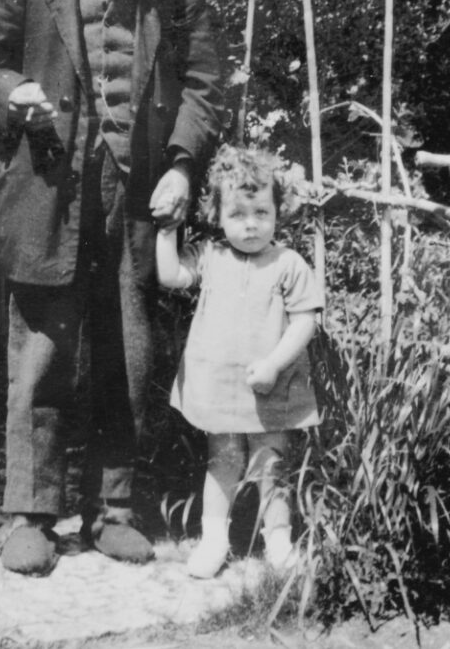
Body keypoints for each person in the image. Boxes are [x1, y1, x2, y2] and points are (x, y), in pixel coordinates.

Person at [0, 0, 224, 575]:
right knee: (42, 353)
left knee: (129, 351)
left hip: (135, 193)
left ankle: (113, 511)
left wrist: (182, 165)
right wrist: (12, 94)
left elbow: (205, 84)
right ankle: (29, 516)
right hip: (47, 186)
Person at [156, 144, 323, 578]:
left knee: (271, 461)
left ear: (278, 211)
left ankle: (279, 542)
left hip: (271, 385)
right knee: (223, 461)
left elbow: (305, 321)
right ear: (218, 215)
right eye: (238, 214)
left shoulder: (288, 263)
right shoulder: (211, 256)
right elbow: (171, 275)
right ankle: (215, 540)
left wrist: (274, 364)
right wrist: (166, 232)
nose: (251, 224)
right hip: (220, 386)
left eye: (261, 213)